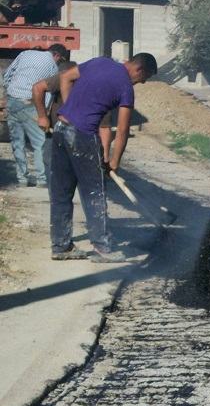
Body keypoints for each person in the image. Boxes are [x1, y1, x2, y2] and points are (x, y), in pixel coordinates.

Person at [49, 53, 158, 262]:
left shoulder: (100, 62)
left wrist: (70, 107)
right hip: (82, 135)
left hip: (61, 128)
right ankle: (102, 248)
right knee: (95, 193)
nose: (141, 83)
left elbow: (65, 77)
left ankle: (60, 246)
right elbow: (124, 129)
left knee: (61, 193)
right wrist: (115, 161)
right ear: (139, 70)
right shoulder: (125, 87)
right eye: (143, 79)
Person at [2, 43, 68, 187]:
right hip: (30, 103)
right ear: (57, 55)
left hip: (13, 99)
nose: (59, 63)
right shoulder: (52, 66)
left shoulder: (25, 53)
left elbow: (7, 74)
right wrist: (44, 114)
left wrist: (11, 92)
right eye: (61, 60)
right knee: (39, 143)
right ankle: (41, 179)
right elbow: (48, 93)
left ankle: (22, 179)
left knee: (17, 142)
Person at [31, 60, 80, 185]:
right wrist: (42, 117)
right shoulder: (57, 81)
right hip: (55, 132)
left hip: (75, 133)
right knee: (50, 161)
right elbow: (37, 88)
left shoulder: (76, 82)